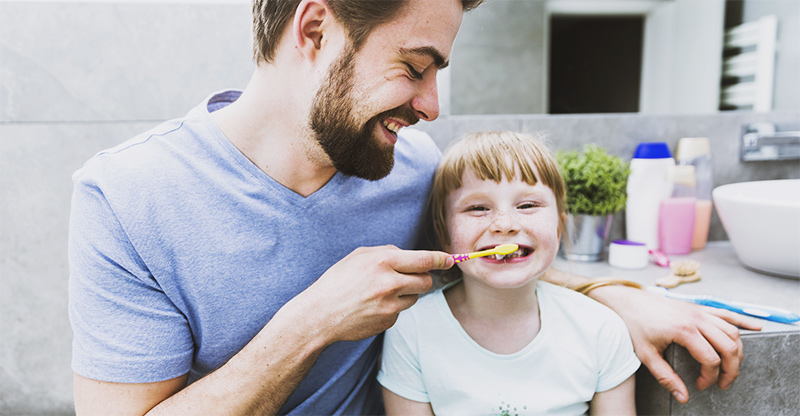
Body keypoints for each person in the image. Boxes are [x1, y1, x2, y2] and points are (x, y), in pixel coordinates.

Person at [68, 0, 761, 414]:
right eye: (414, 67)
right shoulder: (129, 197)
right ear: (314, 29)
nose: (431, 107)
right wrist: (310, 324)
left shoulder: (414, 167)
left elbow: (490, 254)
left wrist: (616, 297)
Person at [379, 131, 639, 415]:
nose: (504, 224)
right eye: (478, 208)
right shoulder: (411, 331)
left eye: (527, 205)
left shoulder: (601, 330)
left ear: (558, 228)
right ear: (444, 235)